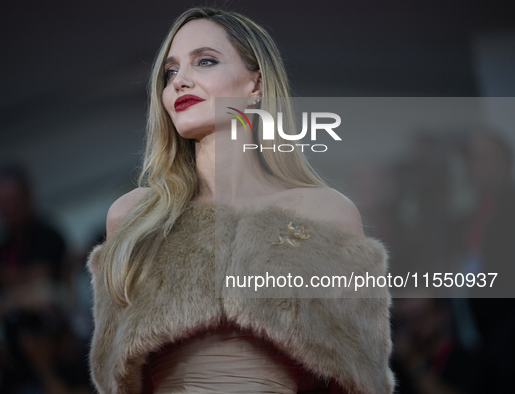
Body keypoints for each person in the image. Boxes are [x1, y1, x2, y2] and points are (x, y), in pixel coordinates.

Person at [87, 7, 394, 394]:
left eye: (205, 61)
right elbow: (119, 377)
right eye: (171, 72)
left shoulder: (325, 213)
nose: (180, 81)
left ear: (256, 85)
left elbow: (359, 378)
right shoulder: (134, 217)